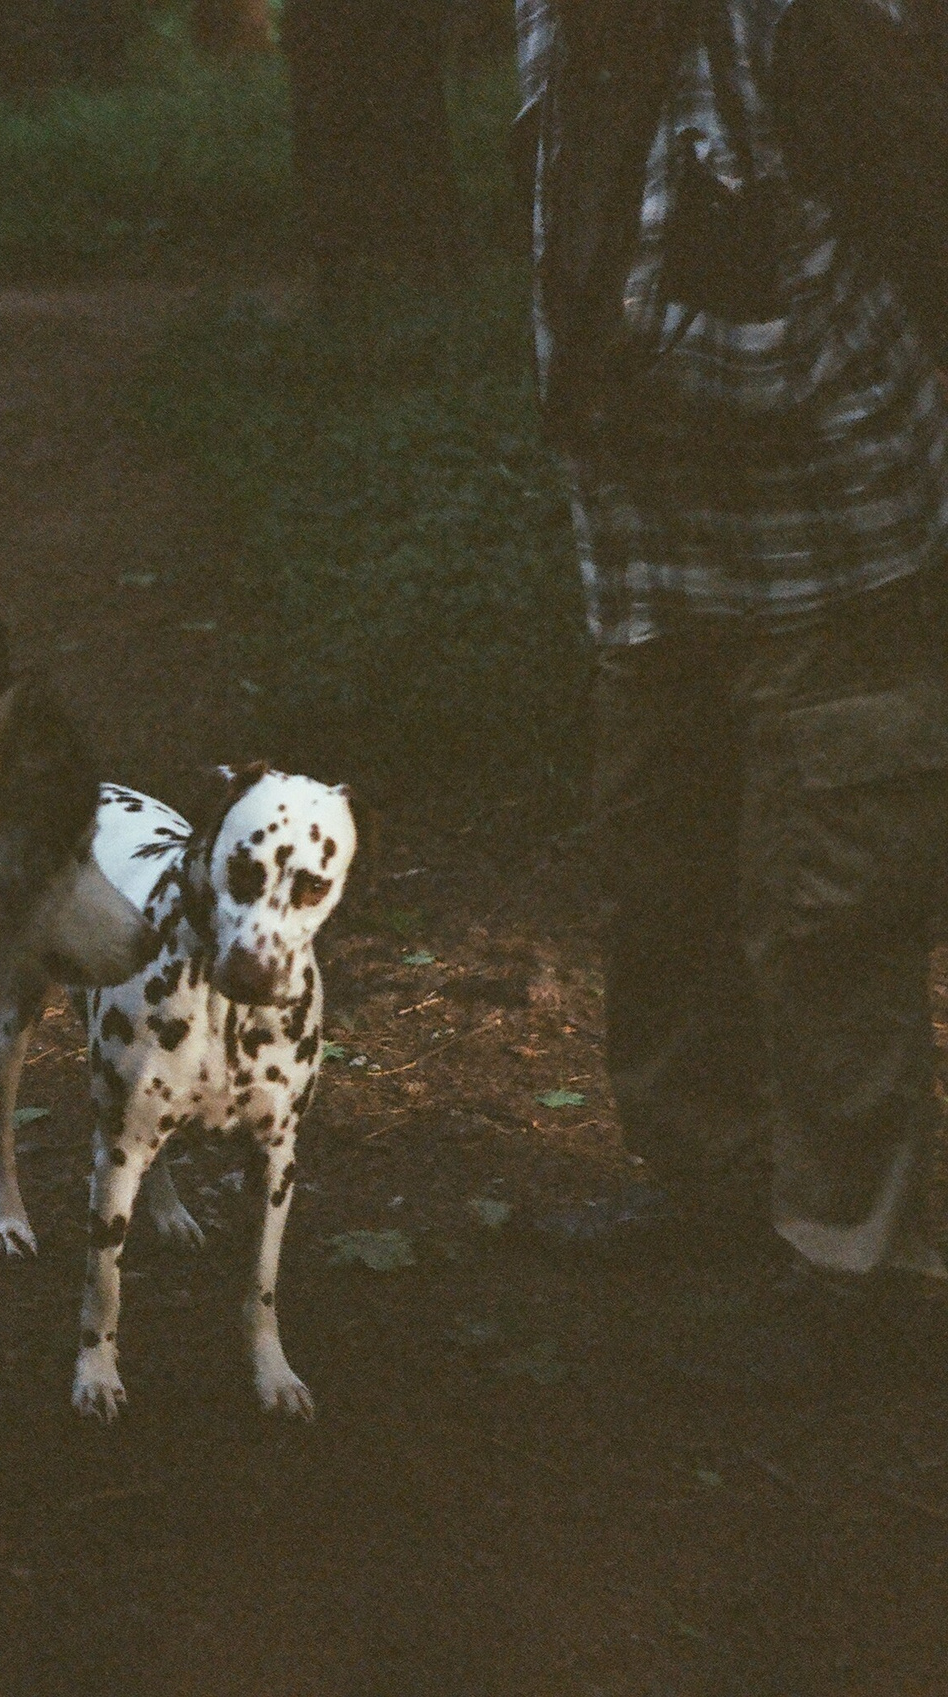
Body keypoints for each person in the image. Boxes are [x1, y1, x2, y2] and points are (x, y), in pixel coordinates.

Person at [518, 0, 948, 1280]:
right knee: (661, 880)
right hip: (651, 556)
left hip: (833, 547)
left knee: (829, 905)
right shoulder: (556, 19)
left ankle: (850, 1261)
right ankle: (713, 1194)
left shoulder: (815, 24)